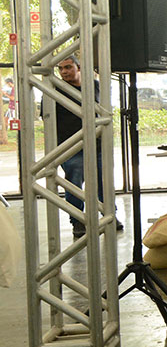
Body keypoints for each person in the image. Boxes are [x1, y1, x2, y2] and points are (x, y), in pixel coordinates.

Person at [54, 55, 121, 238]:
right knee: (74, 181)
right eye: (61, 69)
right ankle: (77, 220)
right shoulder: (55, 90)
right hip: (70, 148)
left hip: (96, 146)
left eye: (68, 67)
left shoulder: (95, 86)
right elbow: (48, 118)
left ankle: (109, 215)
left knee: (104, 181)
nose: (64, 72)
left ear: (79, 67)